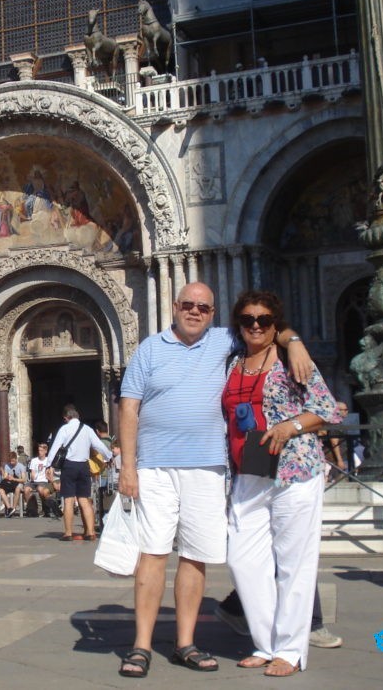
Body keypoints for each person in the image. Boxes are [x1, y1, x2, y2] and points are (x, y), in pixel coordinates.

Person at [117, 281, 311, 678]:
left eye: (203, 308)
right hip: (154, 467)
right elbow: (129, 407)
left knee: (195, 555)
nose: (194, 312)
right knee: (152, 553)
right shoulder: (149, 349)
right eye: (188, 305)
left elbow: (266, 326)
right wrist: (128, 467)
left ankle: (185, 643)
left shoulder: (226, 340)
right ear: (174, 306)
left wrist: (295, 342)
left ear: (213, 314)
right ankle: (141, 646)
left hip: (208, 467)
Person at [223, 290, 340, 676]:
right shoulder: (231, 362)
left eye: (265, 320)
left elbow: (325, 408)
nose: (256, 325)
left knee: (294, 563)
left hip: (294, 470)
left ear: (276, 324)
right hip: (248, 472)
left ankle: (288, 650)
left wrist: (289, 427)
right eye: (248, 319)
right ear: (238, 323)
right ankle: (264, 641)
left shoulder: (291, 360)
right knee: (243, 559)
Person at [44, 406, 111, 539]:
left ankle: (68, 533)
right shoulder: (87, 429)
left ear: (65, 418)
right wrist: (109, 457)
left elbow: (55, 447)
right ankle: (91, 532)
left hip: (69, 466)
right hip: (83, 466)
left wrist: (49, 465)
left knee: (68, 500)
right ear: (78, 416)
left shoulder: (64, 429)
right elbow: (98, 445)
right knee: (84, 499)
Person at [29, 443, 60, 518]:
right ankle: (31, 510)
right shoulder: (34, 460)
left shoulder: (49, 460)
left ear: (46, 451)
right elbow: (49, 474)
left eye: (41, 450)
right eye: (39, 450)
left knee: (42, 490)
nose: (40, 452)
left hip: (49, 481)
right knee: (27, 489)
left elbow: (50, 474)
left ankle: (47, 509)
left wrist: (53, 481)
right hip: (46, 481)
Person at [0, 451, 28, 517]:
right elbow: (5, 476)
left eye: (13, 461)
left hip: (18, 482)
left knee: (18, 489)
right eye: (11, 461)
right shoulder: (7, 466)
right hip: (10, 483)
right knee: (1, 490)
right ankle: (9, 508)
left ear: (16, 459)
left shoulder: (21, 466)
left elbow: (23, 479)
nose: (12, 463)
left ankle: (14, 507)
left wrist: (14, 479)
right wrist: (7, 476)